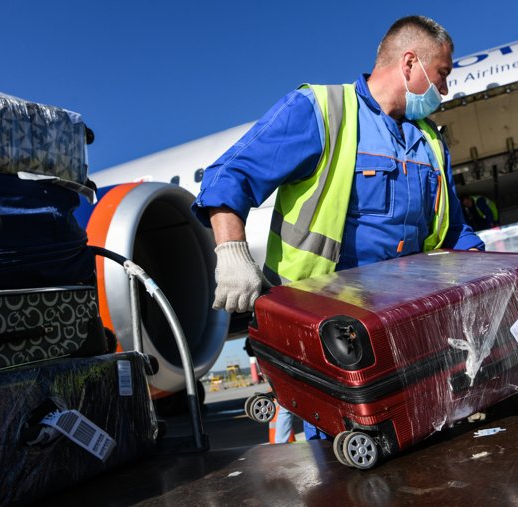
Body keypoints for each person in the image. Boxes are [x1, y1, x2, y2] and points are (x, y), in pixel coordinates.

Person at [192, 15, 484, 440]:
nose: (444, 90)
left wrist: (499, 272)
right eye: (441, 74)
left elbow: (452, 230)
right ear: (409, 63)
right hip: (331, 337)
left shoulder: (431, 143)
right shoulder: (322, 111)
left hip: (409, 333)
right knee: (346, 458)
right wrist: (232, 252)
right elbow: (229, 175)